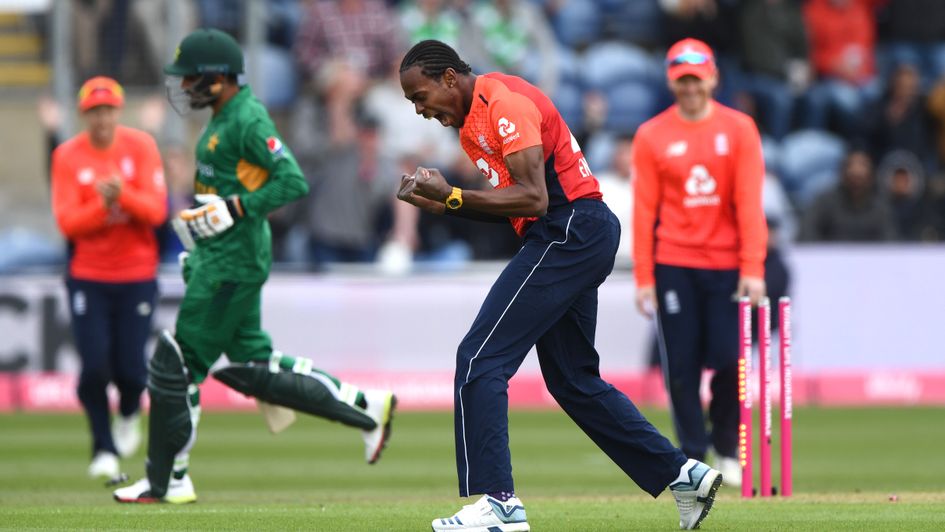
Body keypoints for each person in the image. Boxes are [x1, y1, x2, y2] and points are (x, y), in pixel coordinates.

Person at [396, 39, 722, 531]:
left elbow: (533, 199)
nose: (420, 110)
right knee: (572, 380)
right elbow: (513, 207)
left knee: (480, 358)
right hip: (572, 232)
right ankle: (682, 475)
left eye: (420, 96)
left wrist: (456, 196)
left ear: (448, 78)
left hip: (572, 228)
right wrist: (438, 204)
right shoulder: (470, 130)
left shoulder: (502, 101)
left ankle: (500, 506)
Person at [113, 28, 396, 504]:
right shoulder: (222, 116)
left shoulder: (247, 118)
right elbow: (223, 191)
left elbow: (292, 182)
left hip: (232, 264)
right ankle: (367, 408)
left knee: (175, 366)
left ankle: (170, 480)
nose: (184, 88)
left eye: (190, 79)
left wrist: (235, 211)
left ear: (218, 79)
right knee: (253, 365)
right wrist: (201, 236)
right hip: (221, 257)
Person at [631, 38, 768, 489]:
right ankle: (693, 456)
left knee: (731, 361)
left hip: (727, 265)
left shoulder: (740, 128)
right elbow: (644, 210)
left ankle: (728, 447)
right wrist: (645, 276)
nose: (690, 88)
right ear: (673, 82)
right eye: (682, 80)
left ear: (712, 77)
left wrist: (753, 268)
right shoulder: (651, 134)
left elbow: (749, 202)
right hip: (674, 262)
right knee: (683, 367)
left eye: (697, 78)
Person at [50, 76, 167, 480]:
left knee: (132, 370)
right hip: (89, 276)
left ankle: (131, 412)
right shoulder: (68, 156)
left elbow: (156, 212)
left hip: (136, 273)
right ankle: (102, 446)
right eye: (94, 111)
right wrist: (104, 204)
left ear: (118, 110)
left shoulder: (142, 147)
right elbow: (68, 223)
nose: (102, 118)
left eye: (108, 109)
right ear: (85, 114)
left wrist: (124, 196)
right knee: (94, 366)